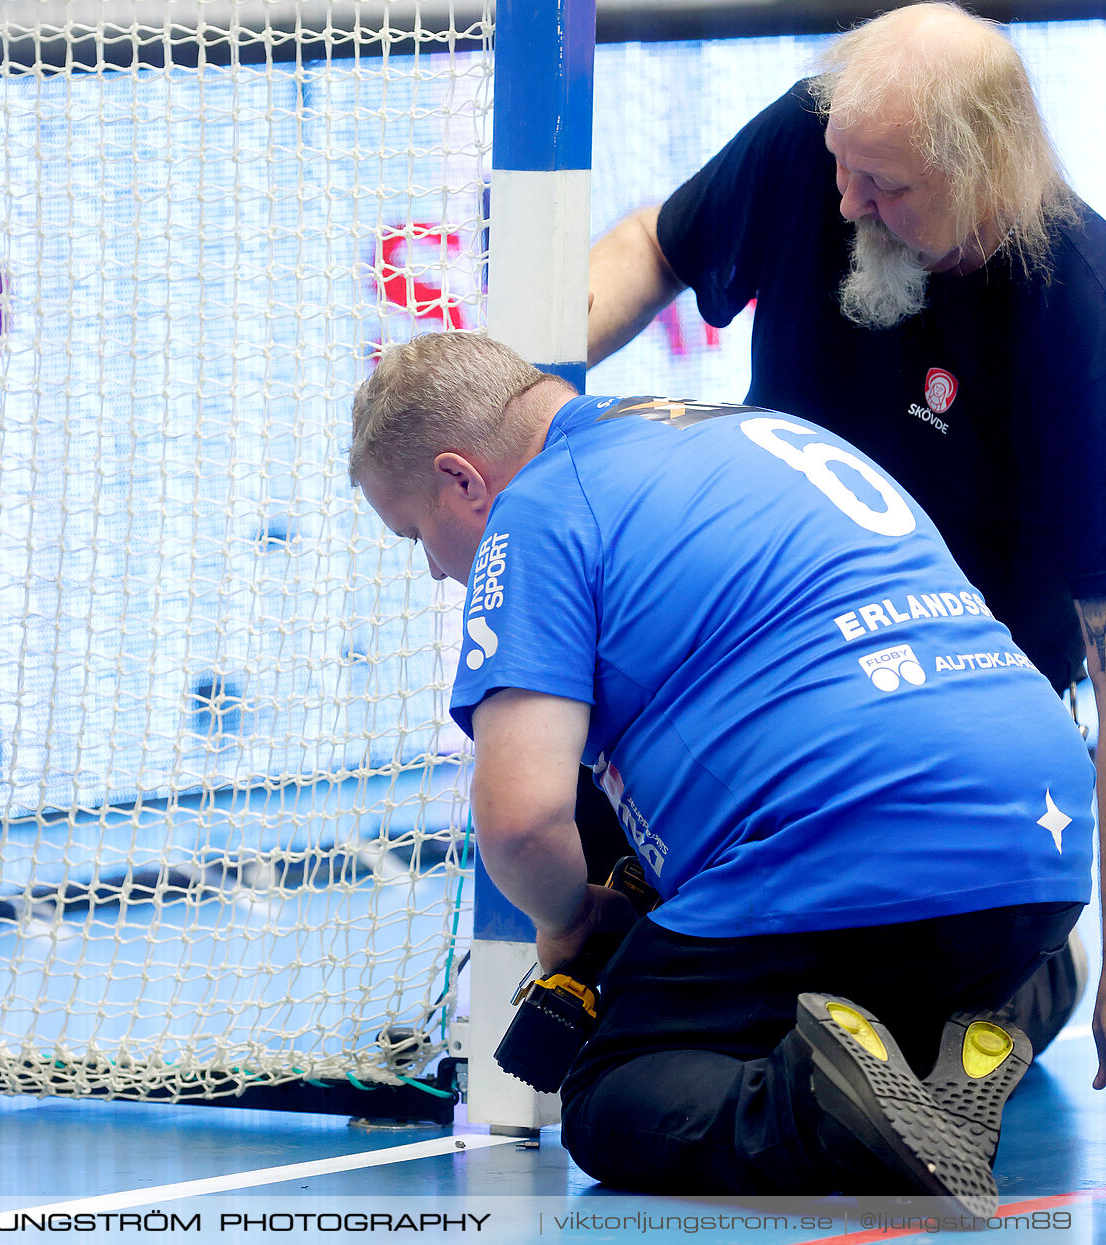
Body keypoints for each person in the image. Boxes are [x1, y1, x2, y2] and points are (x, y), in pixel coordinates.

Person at [349, 330, 1095, 1207]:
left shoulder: (539, 507)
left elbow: (519, 818)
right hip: (1040, 863)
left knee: (612, 1092)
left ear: (462, 480)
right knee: (905, 957)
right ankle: (987, 1017)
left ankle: (823, 1107)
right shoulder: (744, 430)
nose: (439, 570)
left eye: (416, 535)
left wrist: (568, 918)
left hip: (864, 844)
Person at [585, 0, 1106, 1076]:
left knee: (913, 1009)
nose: (844, 201)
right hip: (763, 686)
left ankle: (1025, 972)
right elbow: (655, 242)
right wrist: (531, 371)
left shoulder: (1075, 311)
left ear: (989, 169)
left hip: (946, 751)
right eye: (840, 165)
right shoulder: (821, 136)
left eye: (887, 186)